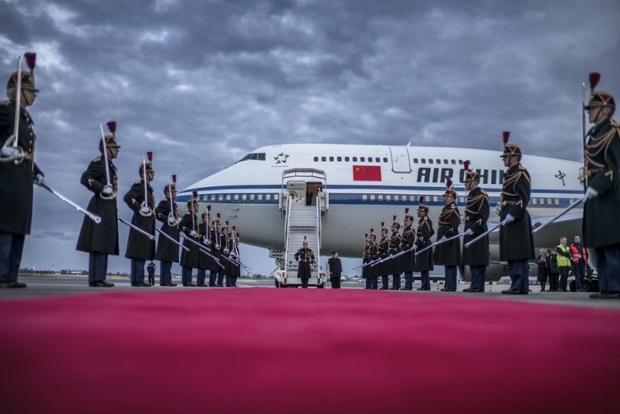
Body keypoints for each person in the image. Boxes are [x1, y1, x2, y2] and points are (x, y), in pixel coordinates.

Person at [0, 52, 44, 289]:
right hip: (6, 178)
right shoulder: (6, 111)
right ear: (18, 91)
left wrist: (36, 170)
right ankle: (1, 275)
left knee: (18, 229)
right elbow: (8, 144)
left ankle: (11, 276)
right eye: (31, 92)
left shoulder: (25, 119)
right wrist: (2, 150)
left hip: (22, 179)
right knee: (5, 229)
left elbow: (25, 151)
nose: (34, 96)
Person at [582, 81, 620, 299]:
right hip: (596, 196)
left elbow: (614, 168)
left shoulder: (613, 133)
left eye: (592, 109)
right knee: (601, 244)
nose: (589, 113)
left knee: (612, 243)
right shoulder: (595, 134)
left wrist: (596, 186)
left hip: (609, 195)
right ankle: (606, 286)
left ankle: (615, 287)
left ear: (605, 110)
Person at [76, 121, 120, 288]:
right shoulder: (99, 162)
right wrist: (102, 188)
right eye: (115, 148)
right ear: (107, 148)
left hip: (108, 207)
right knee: (99, 243)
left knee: (104, 242)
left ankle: (99, 277)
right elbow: (86, 178)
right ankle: (96, 278)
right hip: (100, 206)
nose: (117, 150)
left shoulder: (110, 166)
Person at [499, 132, 535, 295]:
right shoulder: (509, 174)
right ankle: (516, 283)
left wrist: (513, 213)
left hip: (517, 217)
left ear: (513, 157)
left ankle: (520, 285)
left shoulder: (521, 173)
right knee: (511, 252)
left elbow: (524, 197)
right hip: (509, 215)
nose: (503, 159)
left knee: (518, 253)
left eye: (505, 157)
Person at [123, 157, 156, 287]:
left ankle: (139, 278)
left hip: (147, 223)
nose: (153, 174)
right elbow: (128, 197)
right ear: (144, 173)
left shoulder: (148, 188)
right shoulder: (139, 185)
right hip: (140, 222)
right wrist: (139, 208)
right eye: (151, 172)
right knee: (138, 251)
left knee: (142, 251)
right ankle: (137, 279)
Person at [461, 162, 490, 293]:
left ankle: (478, 285)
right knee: (472, 259)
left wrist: (474, 228)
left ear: (474, 182)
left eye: (467, 182)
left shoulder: (481, 195)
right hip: (470, 229)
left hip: (478, 231)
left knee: (478, 259)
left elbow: (484, 216)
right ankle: (474, 283)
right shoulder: (471, 196)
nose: (465, 185)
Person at [434, 180, 461, 292]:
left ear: (450, 197)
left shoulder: (452, 209)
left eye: (445, 196)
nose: (443, 199)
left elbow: (455, 224)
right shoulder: (446, 209)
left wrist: (447, 235)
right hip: (446, 239)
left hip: (450, 239)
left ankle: (451, 285)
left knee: (450, 263)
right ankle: (448, 284)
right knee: (447, 262)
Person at [155, 181, 179, 286]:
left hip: (173, 231)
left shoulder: (173, 204)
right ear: (168, 193)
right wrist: (167, 219)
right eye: (173, 192)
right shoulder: (165, 202)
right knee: (166, 257)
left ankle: (166, 280)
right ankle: (165, 280)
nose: (175, 194)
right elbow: (156, 213)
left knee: (169, 257)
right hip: (167, 231)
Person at [179, 194, 200, 286]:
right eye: (196, 206)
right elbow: (180, 226)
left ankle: (187, 280)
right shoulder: (188, 215)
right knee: (187, 261)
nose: (197, 207)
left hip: (193, 240)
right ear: (192, 206)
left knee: (190, 261)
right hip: (189, 240)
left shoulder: (194, 216)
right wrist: (189, 231)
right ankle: (187, 280)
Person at [413, 197, 434, 291]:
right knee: (423, 266)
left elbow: (425, 235)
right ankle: (425, 285)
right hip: (424, 244)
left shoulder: (424, 221)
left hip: (424, 245)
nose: (418, 213)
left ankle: (425, 285)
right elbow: (432, 232)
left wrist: (417, 243)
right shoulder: (423, 220)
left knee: (424, 266)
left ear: (423, 212)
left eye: (419, 211)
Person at [400, 209, 416, 290]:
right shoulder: (406, 230)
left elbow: (410, 242)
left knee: (408, 270)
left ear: (410, 221)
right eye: (405, 221)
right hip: (405, 252)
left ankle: (408, 285)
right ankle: (407, 285)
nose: (405, 222)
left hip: (408, 252)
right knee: (406, 269)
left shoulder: (410, 230)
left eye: (406, 221)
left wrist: (405, 248)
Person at [388, 217, 402, 290]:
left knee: (396, 271)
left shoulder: (397, 235)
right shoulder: (393, 235)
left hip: (395, 254)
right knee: (394, 271)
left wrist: (394, 253)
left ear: (396, 228)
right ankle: (395, 285)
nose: (392, 228)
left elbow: (398, 246)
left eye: (393, 227)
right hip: (392, 254)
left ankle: (396, 285)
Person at [377, 224, 390, 290]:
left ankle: (385, 285)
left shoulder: (386, 240)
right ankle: (384, 285)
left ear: (384, 232)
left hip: (384, 258)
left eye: (381, 232)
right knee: (382, 272)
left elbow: (386, 250)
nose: (381, 233)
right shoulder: (382, 239)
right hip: (381, 258)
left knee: (384, 272)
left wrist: (382, 256)